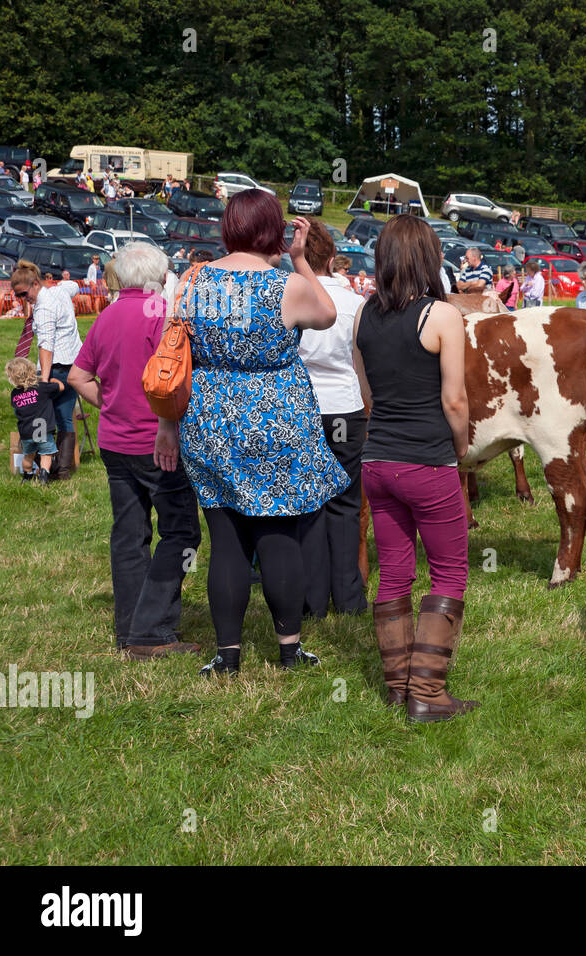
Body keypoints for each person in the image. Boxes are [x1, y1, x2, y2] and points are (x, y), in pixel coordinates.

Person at [156, 189, 347, 677]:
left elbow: (174, 356)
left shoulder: (194, 282)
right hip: (276, 422)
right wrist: (302, 259)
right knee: (278, 535)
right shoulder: (285, 285)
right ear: (274, 230)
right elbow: (327, 314)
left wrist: (166, 427)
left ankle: (227, 655)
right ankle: (288, 650)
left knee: (226, 540)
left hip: (210, 417)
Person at [352, 215, 477, 722]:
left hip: (377, 461)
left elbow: (367, 398)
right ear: (429, 258)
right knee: (449, 571)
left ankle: (398, 687)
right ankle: (428, 693)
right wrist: (462, 445)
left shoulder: (362, 315)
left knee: (395, 574)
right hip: (426, 461)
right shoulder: (442, 316)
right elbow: (455, 400)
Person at [68, 243, 202, 659]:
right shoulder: (162, 315)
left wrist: (109, 405)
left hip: (115, 443)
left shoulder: (104, 316)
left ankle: (129, 628)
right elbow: (175, 379)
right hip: (157, 444)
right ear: (161, 277)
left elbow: (77, 375)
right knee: (181, 534)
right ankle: (152, 631)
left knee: (129, 535)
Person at [296, 224, 369, 619]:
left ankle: (312, 598)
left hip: (304, 404)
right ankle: (348, 596)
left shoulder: (291, 295)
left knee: (309, 501)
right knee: (344, 502)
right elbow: (361, 361)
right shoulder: (354, 301)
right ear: (330, 259)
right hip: (344, 403)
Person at [9, 260, 82, 480]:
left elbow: (46, 347)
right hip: (75, 364)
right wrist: (65, 283)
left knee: (51, 418)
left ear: (34, 284)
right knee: (66, 420)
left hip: (58, 367)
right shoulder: (58, 291)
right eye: (18, 296)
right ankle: (63, 470)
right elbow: (74, 287)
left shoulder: (43, 308)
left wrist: (44, 381)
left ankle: (55, 470)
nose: (23, 299)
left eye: (23, 294)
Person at [7, 357, 62, 484]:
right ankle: (43, 477)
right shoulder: (42, 388)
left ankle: (27, 476)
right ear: (32, 371)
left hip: (25, 431)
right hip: (41, 428)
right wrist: (53, 380)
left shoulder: (14, 394)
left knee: (28, 455)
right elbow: (61, 387)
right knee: (46, 454)